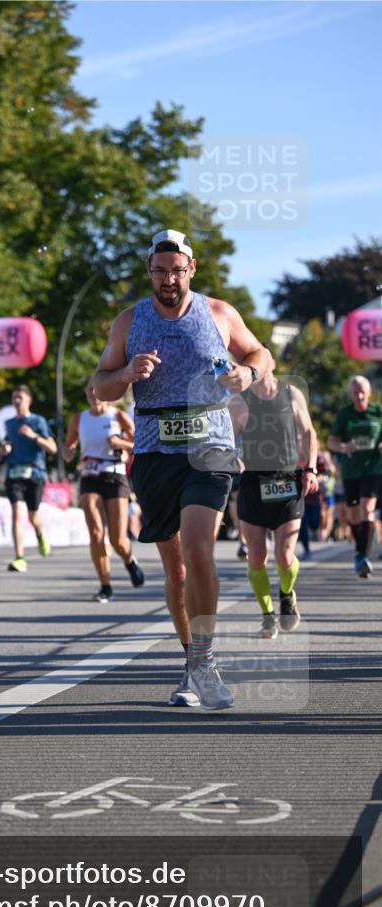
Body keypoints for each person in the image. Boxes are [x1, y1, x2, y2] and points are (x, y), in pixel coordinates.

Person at [93, 228, 268, 710]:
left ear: (191, 268)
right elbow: (101, 385)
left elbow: (262, 353)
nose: (169, 279)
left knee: (198, 549)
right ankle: (191, 660)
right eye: (160, 271)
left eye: (177, 270)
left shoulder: (218, 313)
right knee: (176, 570)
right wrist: (126, 375)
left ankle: (207, 662)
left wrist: (247, 374)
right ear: (149, 271)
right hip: (152, 451)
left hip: (209, 447)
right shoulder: (129, 321)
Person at [228, 348, 319, 638]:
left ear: (272, 363)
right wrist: (234, 458)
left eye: (262, 359)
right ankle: (267, 614)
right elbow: (227, 440)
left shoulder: (292, 395)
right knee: (256, 557)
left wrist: (312, 468)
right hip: (253, 482)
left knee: (284, 554)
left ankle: (287, 594)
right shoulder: (240, 402)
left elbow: (308, 433)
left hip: (288, 479)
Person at [63, 378, 144, 601]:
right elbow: (68, 445)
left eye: (96, 389)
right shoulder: (79, 419)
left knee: (118, 539)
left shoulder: (117, 416)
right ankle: (105, 585)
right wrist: (68, 452)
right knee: (96, 532)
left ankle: (129, 560)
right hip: (90, 475)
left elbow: (141, 442)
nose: (93, 393)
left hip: (115, 476)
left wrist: (121, 444)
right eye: (89, 389)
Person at [327, 376, 382, 578]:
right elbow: (331, 441)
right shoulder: (345, 414)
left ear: (368, 393)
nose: (359, 395)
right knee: (352, 515)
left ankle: (363, 557)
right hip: (350, 471)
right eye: (355, 392)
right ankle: (360, 552)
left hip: (373, 469)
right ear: (351, 394)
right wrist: (342, 447)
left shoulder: (378, 412)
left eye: (362, 391)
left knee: (367, 509)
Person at [2, 384, 56, 572]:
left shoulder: (38, 421)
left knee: (33, 516)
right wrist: (5, 449)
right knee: (17, 511)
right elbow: (7, 442)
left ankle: (40, 534)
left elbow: (52, 448)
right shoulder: (9, 424)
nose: (17, 401)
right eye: (14, 397)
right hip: (14, 473)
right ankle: (19, 557)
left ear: (28, 400)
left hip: (35, 474)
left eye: (20, 398)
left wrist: (33, 436)